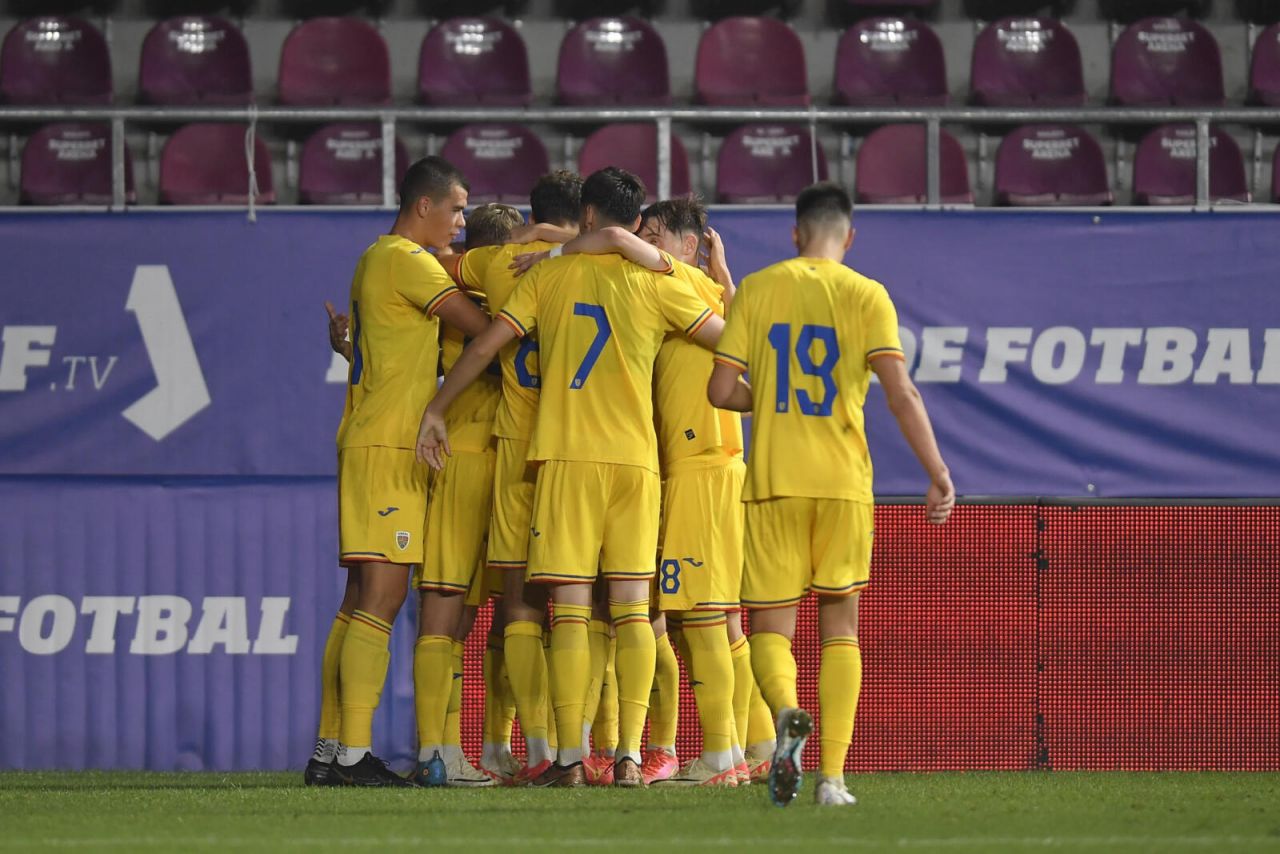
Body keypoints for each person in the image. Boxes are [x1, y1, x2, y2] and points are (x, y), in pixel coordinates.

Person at [415, 167, 725, 788]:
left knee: (570, 611)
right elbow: (727, 335)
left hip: (564, 458)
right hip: (637, 463)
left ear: (586, 213)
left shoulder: (545, 275)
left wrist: (436, 409)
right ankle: (632, 756)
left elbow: (484, 346)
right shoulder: (658, 278)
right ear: (637, 223)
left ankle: (567, 758)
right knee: (635, 612)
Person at [707, 181, 955, 807]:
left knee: (769, 628)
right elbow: (902, 393)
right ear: (848, 236)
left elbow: (720, 390)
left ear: (794, 233)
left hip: (773, 481)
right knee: (840, 627)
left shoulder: (758, 289)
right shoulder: (867, 294)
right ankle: (833, 779)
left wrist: (767, 399)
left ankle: (787, 713)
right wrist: (938, 471)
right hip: (843, 484)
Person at [309, 156, 491, 788]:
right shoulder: (409, 261)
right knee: (382, 600)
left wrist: (348, 348)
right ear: (425, 206)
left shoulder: (372, 257)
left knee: (358, 600)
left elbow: (386, 353)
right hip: (390, 445)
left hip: (367, 439)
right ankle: (355, 755)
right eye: (457, 208)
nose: (461, 222)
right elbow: (484, 330)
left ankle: (330, 750)